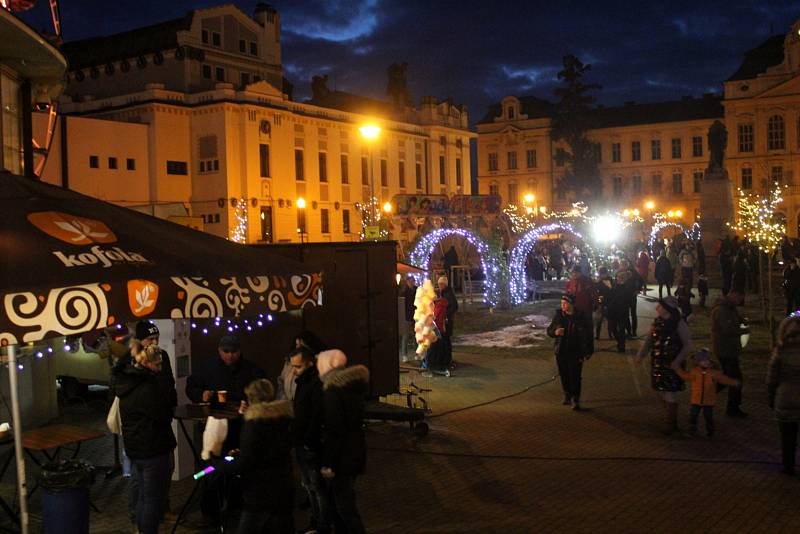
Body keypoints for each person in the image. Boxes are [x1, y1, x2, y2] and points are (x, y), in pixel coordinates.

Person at [185, 334, 266, 523]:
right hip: (215, 429)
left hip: (240, 429)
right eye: (226, 352)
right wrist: (201, 393)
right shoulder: (207, 368)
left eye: (234, 352)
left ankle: (236, 507)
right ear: (219, 351)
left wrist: (250, 403)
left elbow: (263, 391)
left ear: (240, 351)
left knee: (236, 468)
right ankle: (210, 510)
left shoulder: (252, 370)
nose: (230, 356)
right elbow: (191, 387)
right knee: (212, 469)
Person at [111, 325, 177, 534]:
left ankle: (141, 525)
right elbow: (162, 413)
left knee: (145, 494)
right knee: (149, 497)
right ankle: (144, 526)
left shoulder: (128, 381)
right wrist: (162, 394)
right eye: (157, 365)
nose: (160, 368)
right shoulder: (146, 387)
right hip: (151, 446)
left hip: (137, 445)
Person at [214, 379, 293, 532]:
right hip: (283, 486)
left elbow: (246, 462)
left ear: (251, 399)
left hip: (260, 492)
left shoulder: (254, 424)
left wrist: (219, 465)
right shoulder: (283, 418)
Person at [318, 350, 369, 534]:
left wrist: (329, 462)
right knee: (342, 500)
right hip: (354, 451)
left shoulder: (333, 390)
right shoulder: (351, 387)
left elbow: (334, 428)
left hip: (342, 456)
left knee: (344, 504)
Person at [635, 297, 691, 435]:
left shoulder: (679, 323)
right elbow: (649, 340)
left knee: (670, 393)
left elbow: (687, 345)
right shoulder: (658, 321)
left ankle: (671, 423)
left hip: (671, 364)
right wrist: (641, 355)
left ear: (667, 308)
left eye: (659, 306)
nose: (656, 308)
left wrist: (677, 361)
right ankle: (668, 418)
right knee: (662, 391)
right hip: (659, 362)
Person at [290, 346, 328, 534]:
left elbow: (315, 415)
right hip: (302, 441)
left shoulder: (314, 384)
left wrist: (308, 440)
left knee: (316, 487)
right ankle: (317, 521)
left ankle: (321, 524)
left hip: (309, 444)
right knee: (309, 485)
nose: (294, 371)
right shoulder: (304, 382)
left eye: (298, 366)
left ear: (310, 363)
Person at [675, 349, 739, 437]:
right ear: (698, 362)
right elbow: (686, 376)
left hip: (708, 400)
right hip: (696, 399)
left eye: (707, 360)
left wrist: (733, 382)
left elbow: (723, 379)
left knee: (708, 417)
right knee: (693, 416)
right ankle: (692, 430)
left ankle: (710, 431)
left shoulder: (714, 373)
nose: (706, 362)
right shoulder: (695, 372)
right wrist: (678, 370)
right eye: (703, 361)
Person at [767, 316, 800, 475]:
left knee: (788, 437)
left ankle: (788, 467)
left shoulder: (781, 350)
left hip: (786, 398)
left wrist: (771, 396)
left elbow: (772, 377)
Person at [547, 294, 592, 410]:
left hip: (576, 351)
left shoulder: (581, 317)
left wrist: (588, 351)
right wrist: (555, 332)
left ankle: (575, 398)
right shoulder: (559, 316)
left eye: (565, 304)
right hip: (561, 351)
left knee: (575, 376)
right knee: (564, 374)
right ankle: (567, 394)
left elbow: (588, 335)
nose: (562, 306)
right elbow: (549, 330)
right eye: (561, 303)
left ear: (571, 304)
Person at [711, 291, 749, 417]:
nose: (739, 301)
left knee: (728, 377)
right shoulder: (722, 310)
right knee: (736, 379)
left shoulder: (730, 308)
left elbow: (736, 320)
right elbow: (728, 329)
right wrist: (743, 330)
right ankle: (732, 408)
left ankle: (706, 391)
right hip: (725, 349)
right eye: (739, 298)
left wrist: (742, 320)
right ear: (733, 295)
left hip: (729, 349)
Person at [566, 267, 598, 353]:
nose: (574, 274)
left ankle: (589, 347)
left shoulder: (587, 281)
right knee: (576, 328)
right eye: (573, 273)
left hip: (586, 308)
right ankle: (579, 346)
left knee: (588, 328)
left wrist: (595, 303)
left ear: (580, 273)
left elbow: (594, 293)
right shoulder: (570, 283)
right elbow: (568, 295)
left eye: (576, 272)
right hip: (575, 309)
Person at [438, 276, 458, 367]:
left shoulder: (448, 294)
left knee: (446, 340)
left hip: (447, 321)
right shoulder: (444, 293)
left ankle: (447, 359)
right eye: (439, 284)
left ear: (444, 284)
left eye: (441, 284)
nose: (440, 286)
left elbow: (454, 306)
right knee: (445, 340)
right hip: (444, 321)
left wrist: (445, 313)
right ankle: (446, 358)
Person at [607, 273, 630, 353]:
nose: (618, 279)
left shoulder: (627, 288)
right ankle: (619, 342)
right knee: (613, 328)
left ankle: (622, 346)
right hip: (614, 311)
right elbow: (610, 297)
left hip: (622, 311)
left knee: (621, 330)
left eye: (620, 278)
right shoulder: (615, 287)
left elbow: (626, 299)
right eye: (617, 278)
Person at [401, 277, 417, 363]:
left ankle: (417, 353)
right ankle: (404, 355)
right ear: (407, 282)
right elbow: (402, 304)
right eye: (410, 281)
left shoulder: (417, 290)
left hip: (415, 316)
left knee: (416, 336)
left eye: (413, 281)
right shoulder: (404, 292)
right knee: (405, 336)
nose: (411, 283)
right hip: (407, 317)